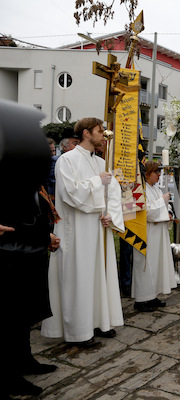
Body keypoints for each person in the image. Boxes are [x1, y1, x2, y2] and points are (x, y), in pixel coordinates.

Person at [41, 117, 125, 347]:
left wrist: (111, 214)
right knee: (78, 278)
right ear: (87, 133)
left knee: (98, 275)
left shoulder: (100, 162)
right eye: (100, 131)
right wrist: (98, 182)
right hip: (75, 228)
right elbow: (70, 194)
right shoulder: (66, 160)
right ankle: (78, 332)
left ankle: (98, 321)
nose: (103, 136)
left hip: (98, 227)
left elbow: (114, 191)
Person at [0, 100, 60, 397]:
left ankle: (24, 359)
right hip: (7, 250)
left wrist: (45, 234)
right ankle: (8, 375)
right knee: (8, 315)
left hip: (29, 246)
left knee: (24, 312)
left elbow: (35, 204)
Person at [131, 161, 177, 312]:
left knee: (157, 265)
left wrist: (169, 212)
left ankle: (153, 295)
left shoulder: (155, 189)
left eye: (159, 172)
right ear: (146, 173)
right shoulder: (140, 190)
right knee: (146, 266)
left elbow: (166, 206)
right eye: (156, 172)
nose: (159, 175)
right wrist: (162, 201)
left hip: (159, 233)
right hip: (147, 233)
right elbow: (147, 212)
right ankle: (142, 299)